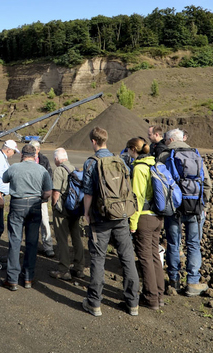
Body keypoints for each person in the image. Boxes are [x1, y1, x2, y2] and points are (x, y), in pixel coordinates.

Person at [81, 127, 140, 317]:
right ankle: (132, 303)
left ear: (93, 142)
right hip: (121, 215)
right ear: (106, 140)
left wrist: (86, 214)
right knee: (127, 258)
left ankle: (94, 303)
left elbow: (88, 193)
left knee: (98, 259)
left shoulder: (91, 163)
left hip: (101, 218)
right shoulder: (120, 160)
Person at [157, 128, 212, 297]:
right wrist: (203, 205)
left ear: (171, 140)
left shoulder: (164, 156)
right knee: (193, 244)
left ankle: (174, 280)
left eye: (166, 139)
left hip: (174, 209)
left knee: (174, 243)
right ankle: (193, 282)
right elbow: (207, 183)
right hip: (194, 207)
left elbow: (160, 184)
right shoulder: (196, 154)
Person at [1, 144, 52, 290]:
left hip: (17, 204)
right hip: (35, 205)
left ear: (22, 155)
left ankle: (12, 279)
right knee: (31, 242)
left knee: (15, 241)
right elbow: (48, 192)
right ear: (35, 155)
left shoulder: (14, 167)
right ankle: (28, 278)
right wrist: (39, 198)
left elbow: (4, 179)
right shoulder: (42, 170)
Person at [128, 140, 164, 310]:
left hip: (144, 217)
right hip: (158, 216)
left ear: (133, 149)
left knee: (145, 258)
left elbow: (137, 198)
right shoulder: (155, 164)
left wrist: (132, 223)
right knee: (155, 255)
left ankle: (150, 298)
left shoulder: (139, 168)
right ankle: (159, 294)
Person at [48, 147, 86, 281]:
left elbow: (56, 192)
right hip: (75, 208)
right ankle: (79, 268)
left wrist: (54, 206)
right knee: (76, 237)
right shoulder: (74, 168)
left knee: (62, 239)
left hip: (62, 210)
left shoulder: (59, 170)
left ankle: (64, 270)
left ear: (57, 159)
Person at [29, 140, 56, 258]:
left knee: (45, 222)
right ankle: (31, 246)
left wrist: (45, 193)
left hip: (42, 198)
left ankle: (48, 247)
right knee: (31, 223)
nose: (32, 151)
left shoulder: (44, 160)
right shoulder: (25, 159)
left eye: (34, 149)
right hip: (29, 197)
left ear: (38, 149)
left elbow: (49, 177)